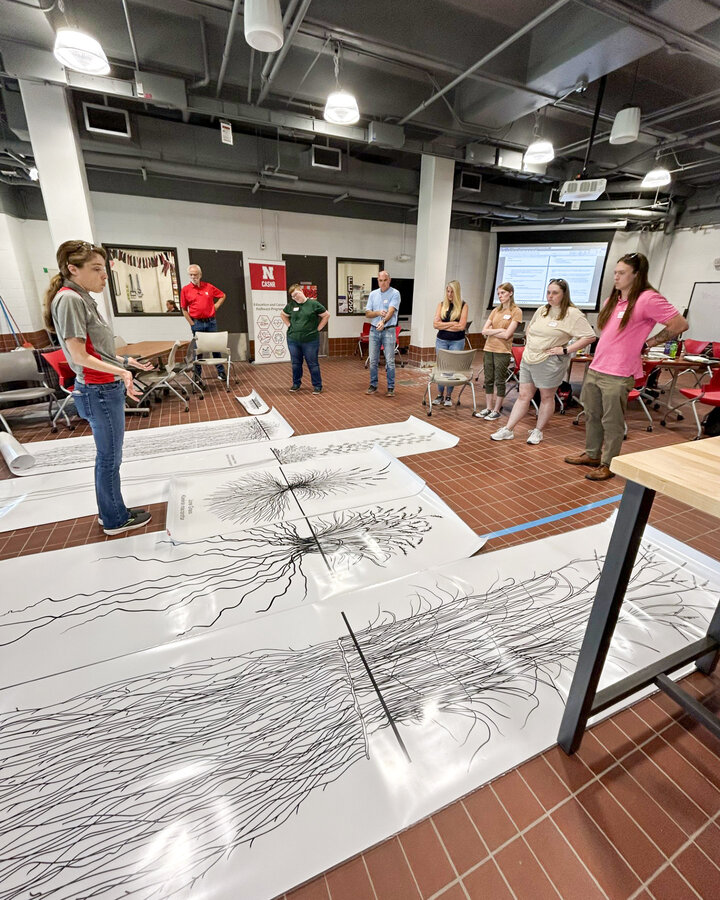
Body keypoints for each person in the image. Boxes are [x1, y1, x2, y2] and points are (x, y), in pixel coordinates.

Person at [43, 240, 154, 536]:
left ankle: (112, 511)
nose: (104, 275)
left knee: (109, 457)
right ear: (72, 269)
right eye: (96, 269)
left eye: (103, 269)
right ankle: (115, 519)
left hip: (103, 387)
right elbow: (78, 355)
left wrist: (125, 360)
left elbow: (95, 349)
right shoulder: (69, 299)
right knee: (109, 458)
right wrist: (121, 372)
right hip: (99, 390)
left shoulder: (81, 297)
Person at [565, 252, 688, 481]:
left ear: (636, 275)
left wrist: (649, 343)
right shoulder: (611, 300)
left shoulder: (648, 298)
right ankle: (592, 454)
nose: (616, 277)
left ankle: (608, 463)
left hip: (619, 372)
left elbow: (679, 323)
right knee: (592, 414)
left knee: (611, 421)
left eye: (621, 273)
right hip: (597, 366)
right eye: (615, 272)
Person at [491, 278, 595, 445]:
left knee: (546, 397)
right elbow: (530, 328)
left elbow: (589, 336)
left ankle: (538, 431)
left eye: (555, 293)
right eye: (548, 292)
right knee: (524, 395)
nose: (550, 296)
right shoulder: (542, 310)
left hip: (549, 361)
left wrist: (566, 349)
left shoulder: (572, 314)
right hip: (529, 358)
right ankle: (508, 429)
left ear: (564, 294)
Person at [474, 282, 523, 420]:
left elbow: (508, 335)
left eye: (503, 293)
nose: (500, 296)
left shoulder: (516, 311)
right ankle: (489, 407)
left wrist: (493, 332)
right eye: (499, 294)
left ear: (510, 293)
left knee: (499, 380)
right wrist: (500, 330)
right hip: (489, 348)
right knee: (488, 379)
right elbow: (484, 331)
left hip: (503, 351)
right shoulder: (496, 310)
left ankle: (497, 409)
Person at [180, 264, 226, 383]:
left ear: (200, 275)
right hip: (197, 324)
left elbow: (222, 295)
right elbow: (184, 309)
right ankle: (197, 374)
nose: (193, 276)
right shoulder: (185, 290)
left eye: (195, 274)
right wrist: (192, 324)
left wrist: (216, 306)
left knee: (215, 347)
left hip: (211, 322)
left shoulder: (208, 287)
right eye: (191, 274)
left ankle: (221, 372)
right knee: (198, 350)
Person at [281, 283, 330, 393]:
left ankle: (317, 385)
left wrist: (318, 328)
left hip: (310, 340)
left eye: (296, 294)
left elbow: (326, 315)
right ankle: (296, 384)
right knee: (295, 363)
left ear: (301, 291)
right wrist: (289, 325)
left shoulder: (313, 304)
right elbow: (283, 315)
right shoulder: (291, 305)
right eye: (293, 296)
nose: (295, 297)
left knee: (312, 363)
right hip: (293, 340)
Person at [432, 280, 469, 407]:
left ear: (457, 292)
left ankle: (448, 396)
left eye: (452, 291)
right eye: (448, 291)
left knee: (451, 369)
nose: (449, 294)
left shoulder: (463, 305)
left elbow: (461, 326)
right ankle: (440, 394)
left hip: (457, 341)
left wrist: (443, 326)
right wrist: (452, 323)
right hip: (441, 340)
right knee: (443, 368)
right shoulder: (441, 305)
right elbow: (435, 324)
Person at [365, 270, 401, 397]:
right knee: (373, 360)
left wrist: (383, 321)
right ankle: (373, 384)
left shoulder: (395, 293)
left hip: (389, 330)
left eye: (385, 280)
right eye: (380, 280)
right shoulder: (373, 294)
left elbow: (391, 311)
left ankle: (391, 387)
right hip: (374, 330)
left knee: (390, 360)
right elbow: (368, 313)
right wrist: (378, 313)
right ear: (378, 281)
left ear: (389, 280)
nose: (383, 283)